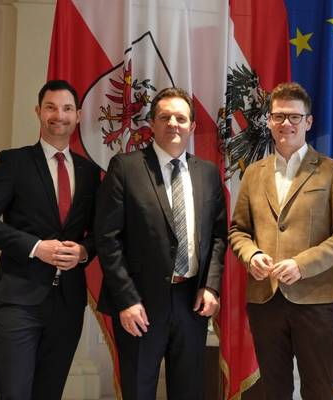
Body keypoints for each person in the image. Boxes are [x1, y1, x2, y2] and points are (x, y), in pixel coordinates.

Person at [228, 82, 333, 399]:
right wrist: (251, 255)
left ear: (308, 122)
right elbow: (238, 230)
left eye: (294, 117)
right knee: (274, 390)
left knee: (318, 389)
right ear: (269, 121)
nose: (286, 123)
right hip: (265, 300)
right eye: (278, 116)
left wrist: (302, 265)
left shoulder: (332, 171)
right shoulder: (253, 173)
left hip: (313, 300)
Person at [0, 80, 101, 399]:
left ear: (78, 115)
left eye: (67, 109)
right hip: (18, 300)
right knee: (13, 392)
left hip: (68, 303)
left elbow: (100, 232)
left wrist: (84, 251)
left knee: (49, 392)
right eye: (51, 107)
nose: (59, 115)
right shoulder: (15, 162)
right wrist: (36, 247)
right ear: (38, 112)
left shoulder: (89, 172)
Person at [94, 87, 227, 399]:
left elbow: (219, 236)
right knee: (138, 390)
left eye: (181, 118)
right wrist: (127, 300)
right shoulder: (125, 167)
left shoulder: (208, 173)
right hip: (140, 303)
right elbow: (108, 238)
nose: (173, 124)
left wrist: (211, 286)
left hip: (191, 301)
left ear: (192, 126)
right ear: (152, 123)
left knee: (188, 391)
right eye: (165, 117)